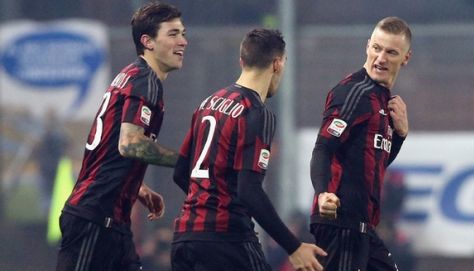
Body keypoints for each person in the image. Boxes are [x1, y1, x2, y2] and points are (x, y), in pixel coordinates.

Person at [171, 28, 327, 271]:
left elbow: (180, 172)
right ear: (277, 64)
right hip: (228, 240)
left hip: (185, 238)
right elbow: (249, 190)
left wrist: (207, 203)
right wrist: (294, 247)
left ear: (242, 61)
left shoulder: (208, 103)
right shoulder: (256, 112)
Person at [55, 2, 187, 271]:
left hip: (113, 223)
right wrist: (190, 159)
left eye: (183, 33)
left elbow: (110, 146)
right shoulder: (145, 80)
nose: (183, 41)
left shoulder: (131, 75)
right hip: (94, 219)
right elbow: (130, 144)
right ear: (147, 41)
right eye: (173, 34)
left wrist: (135, 186)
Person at [309, 16, 412, 271]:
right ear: (367, 46)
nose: (381, 58)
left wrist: (399, 135)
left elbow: (377, 161)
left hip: (362, 225)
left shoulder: (383, 101)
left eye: (391, 52)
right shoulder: (355, 92)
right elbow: (323, 148)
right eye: (376, 48)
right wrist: (322, 192)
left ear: (405, 58)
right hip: (341, 220)